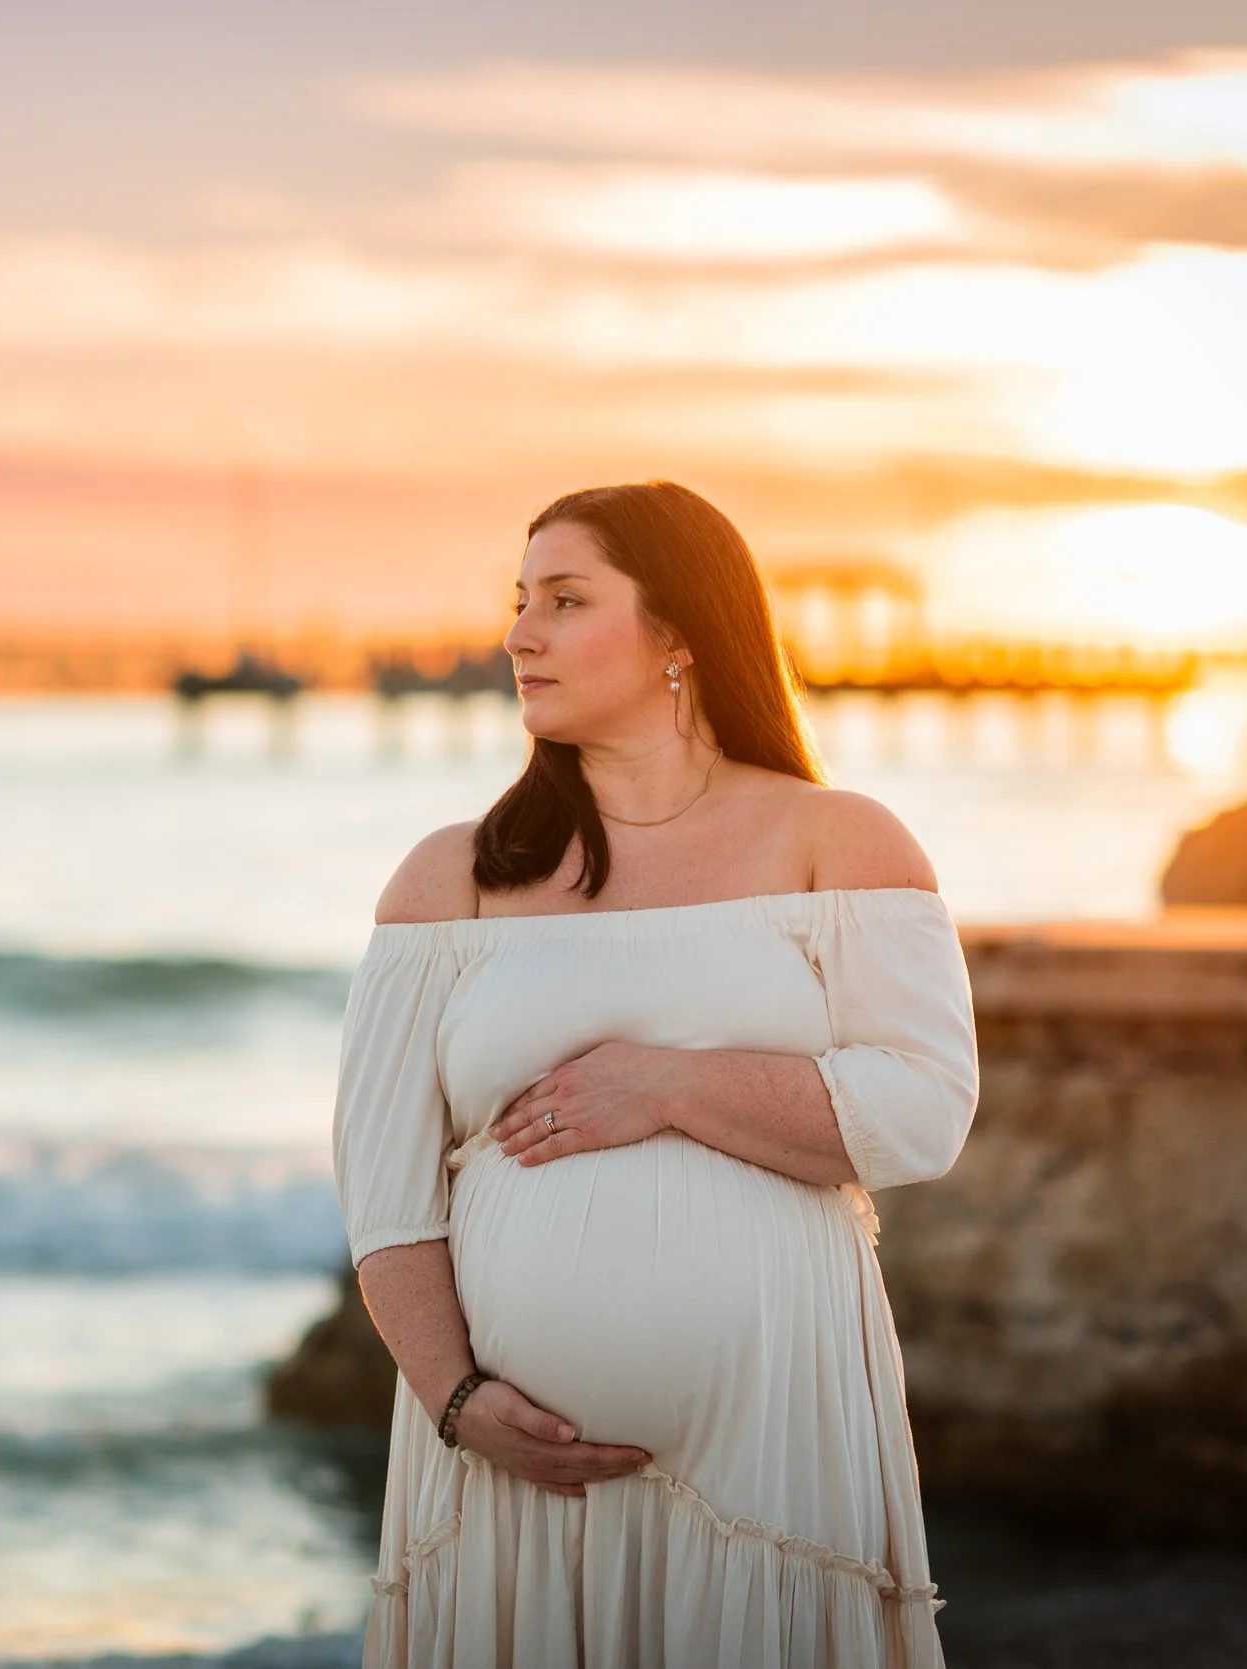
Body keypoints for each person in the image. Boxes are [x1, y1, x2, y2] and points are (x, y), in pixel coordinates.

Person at [335, 481, 978, 1668]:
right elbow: (383, 1195)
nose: (519, 633)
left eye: (565, 600)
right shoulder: (450, 880)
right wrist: (462, 1406)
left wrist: (672, 1084)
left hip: (775, 1466)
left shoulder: (836, 841)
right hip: (511, 1488)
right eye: (518, 601)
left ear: (679, 632)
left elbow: (924, 1110)